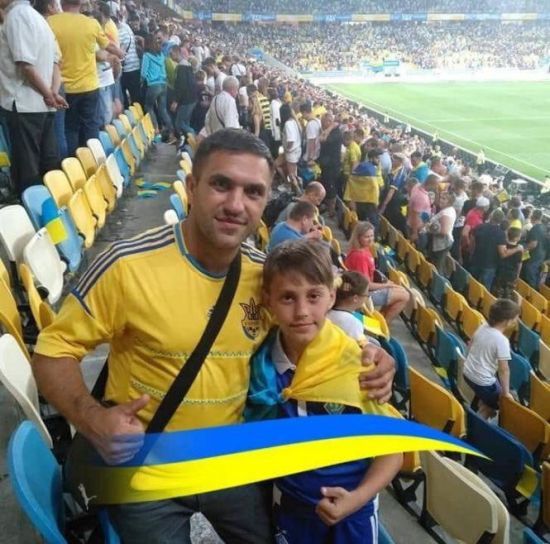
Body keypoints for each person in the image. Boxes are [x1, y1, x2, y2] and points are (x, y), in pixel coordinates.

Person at [32, 129, 395, 544]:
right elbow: (52, 351)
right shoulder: (125, 266)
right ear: (192, 187)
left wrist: (370, 350)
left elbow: (310, 328)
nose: (236, 204)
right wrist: (93, 419)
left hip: (232, 464)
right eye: (221, 184)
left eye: (253, 192)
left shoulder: (266, 278)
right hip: (149, 469)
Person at [246, 240, 402, 544]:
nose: (302, 311)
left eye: (314, 296)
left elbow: (392, 451)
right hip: (290, 508)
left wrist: (357, 498)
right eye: (288, 297)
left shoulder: (359, 365)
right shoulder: (259, 364)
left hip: (354, 513)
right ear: (268, 299)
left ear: (331, 296)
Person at [0, 0, 67, 196]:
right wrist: (52, 92)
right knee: (48, 162)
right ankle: (49, 208)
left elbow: (25, 64)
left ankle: (32, 209)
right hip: (42, 104)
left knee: (27, 168)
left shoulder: (17, 16)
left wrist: (49, 94)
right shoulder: (38, 19)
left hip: (24, 103)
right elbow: (56, 62)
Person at [49, 0, 123, 156]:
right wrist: (119, 53)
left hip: (65, 88)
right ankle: (94, 162)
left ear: (62, 2)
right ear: (80, 4)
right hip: (90, 87)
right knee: (91, 127)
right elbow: (107, 46)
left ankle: (73, 164)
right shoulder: (92, 24)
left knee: (70, 129)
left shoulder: (51, 22)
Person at [462, 299, 519, 419]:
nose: (516, 320)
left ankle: (483, 402)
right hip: (482, 382)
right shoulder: (502, 341)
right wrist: (506, 393)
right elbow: (504, 370)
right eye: (515, 318)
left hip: (467, 373)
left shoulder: (483, 326)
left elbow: (470, 345)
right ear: (507, 321)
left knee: (492, 394)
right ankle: (478, 421)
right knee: (500, 403)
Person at [345, 222, 409, 323]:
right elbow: (366, 286)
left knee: (401, 290)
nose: (370, 239)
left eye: (372, 235)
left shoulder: (364, 249)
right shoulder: (360, 256)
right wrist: (386, 285)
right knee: (404, 296)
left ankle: (382, 321)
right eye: (366, 237)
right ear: (358, 238)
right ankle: (384, 325)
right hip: (363, 294)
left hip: (365, 289)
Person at [141, 33, 175, 142]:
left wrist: (141, 81)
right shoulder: (161, 55)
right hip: (163, 84)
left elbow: (143, 73)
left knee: (148, 107)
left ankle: (156, 130)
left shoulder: (146, 56)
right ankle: (172, 132)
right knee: (163, 110)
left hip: (153, 84)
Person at [328, 270, 370, 344]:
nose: (366, 298)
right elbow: (361, 347)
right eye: (366, 295)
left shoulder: (327, 311)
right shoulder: (354, 324)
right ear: (355, 298)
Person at [426, 191, 456, 274]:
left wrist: (430, 229)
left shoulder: (448, 213)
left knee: (438, 268)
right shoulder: (445, 210)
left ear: (450, 201)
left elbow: (444, 231)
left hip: (443, 244)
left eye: (444, 199)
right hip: (438, 242)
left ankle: (437, 282)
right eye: (441, 198)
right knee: (434, 265)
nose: (441, 200)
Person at [493, 227, 523, 300]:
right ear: (516, 238)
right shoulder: (520, 249)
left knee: (497, 293)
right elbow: (519, 264)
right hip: (511, 275)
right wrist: (518, 275)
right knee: (508, 295)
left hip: (500, 272)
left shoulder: (502, 245)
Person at [521, 209, 547, 288]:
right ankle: (535, 290)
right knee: (535, 275)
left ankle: (531, 291)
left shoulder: (535, 229)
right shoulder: (543, 227)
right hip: (541, 254)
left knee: (530, 274)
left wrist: (524, 249)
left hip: (534, 256)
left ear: (533, 217)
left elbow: (533, 244)